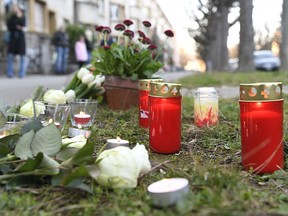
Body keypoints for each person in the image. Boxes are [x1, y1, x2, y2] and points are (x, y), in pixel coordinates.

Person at [6, 4, 26, 78]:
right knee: (10, 56)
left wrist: (18, 22)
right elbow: (9, 26)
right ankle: (10, 73)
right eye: (14, 8)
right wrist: (17, 26)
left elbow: (23, 26)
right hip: (12, 39)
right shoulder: (10, 17)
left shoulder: (22, 17)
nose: (15, 10)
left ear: (19, 9)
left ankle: (21, 74)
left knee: (22, 56)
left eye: (16, 8)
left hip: (20, 39)